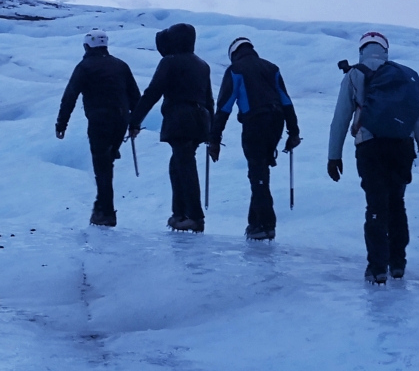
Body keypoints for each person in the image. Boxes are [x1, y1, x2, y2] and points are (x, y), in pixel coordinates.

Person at [327, 31, 419, 283]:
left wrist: (334, 156)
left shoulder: (355, 73)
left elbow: (341, 118)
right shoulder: (403, 75)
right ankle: (397, 263)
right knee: (397, 203)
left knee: (376, 205)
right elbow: (417, 116)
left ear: (362, 50)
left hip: (370, 145)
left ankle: (377, 267)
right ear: (385, 50)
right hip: (402, 146)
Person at [209, 36, 302, 240]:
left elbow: (224, 107)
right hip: (276, 121)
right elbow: (286, 101)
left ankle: (266, 225)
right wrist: (293, 132)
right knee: (260, 170)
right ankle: (255, 223)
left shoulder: (235, 70)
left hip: (255, 121)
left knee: (257, 171)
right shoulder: (271, 68)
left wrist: (214, 139)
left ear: (234, 53)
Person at [129, 23, 214, 232]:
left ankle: (193, 216)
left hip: (179, 117)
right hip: (200, 118)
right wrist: (212, 130)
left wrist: (134, 121)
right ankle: (180, 214)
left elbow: (153, 92)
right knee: (179, 163)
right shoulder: (202, 64)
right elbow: (209, 99)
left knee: (183, 165)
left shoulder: (170, 61)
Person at [55, 29, 140, 227]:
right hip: (121, 119)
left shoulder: (84, 66)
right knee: (107, 163)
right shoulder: (121, 65)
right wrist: (134, 123)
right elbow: (135, 95)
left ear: (87, 46)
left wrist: (61, 123)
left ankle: (106, 212)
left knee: (102, 165)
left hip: (99, 119)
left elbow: (70, 96)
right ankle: (102, 206)